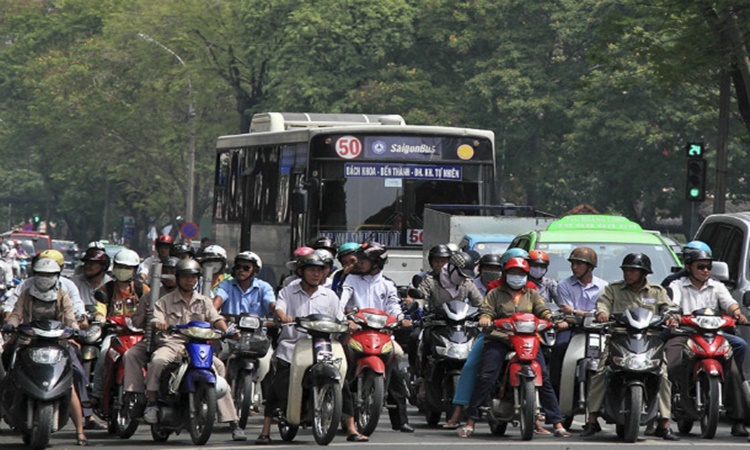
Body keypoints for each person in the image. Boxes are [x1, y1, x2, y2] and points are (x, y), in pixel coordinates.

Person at [122, 259, 246, 441]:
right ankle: (151, 402)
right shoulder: (163, 301)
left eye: (194, 277)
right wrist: (160, 323)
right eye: (186, 277)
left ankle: (233, 423)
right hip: (172, 344)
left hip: (198, 345)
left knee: (218, 367)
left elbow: (216, 318)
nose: (190, 281)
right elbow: (156, 319)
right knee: (158, 361)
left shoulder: (204, 301)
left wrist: (227, 330)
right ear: (178, 278)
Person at [255, 253, 366, 444]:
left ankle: (351, 428)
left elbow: (339, 318)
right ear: (301, 271)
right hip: (293, 347)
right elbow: (279, 308)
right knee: (280, 382)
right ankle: (265, 430)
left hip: (324, 347)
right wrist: (283, 316)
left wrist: (349, 324)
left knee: (342, 382)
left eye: (320, 270)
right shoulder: (288, 291)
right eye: (312, 270)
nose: (316, 274)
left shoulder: (329, 295)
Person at [458, 257, 571, 438]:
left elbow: (542, 310)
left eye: (520, 273)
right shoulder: (495, 293)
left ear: (526, 276)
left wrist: (551, 318)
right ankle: (470, 421)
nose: (516, 277)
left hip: (528, 341)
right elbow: (487, 310)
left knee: (544, 376)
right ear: (505, 274)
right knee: (487, 376)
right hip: (500, 339)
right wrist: (486, 319)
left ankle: (557, 423)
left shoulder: (532, 294)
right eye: (513, 273)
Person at [581, 253, 680, 441]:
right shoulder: (613, 289)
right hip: (619, 339)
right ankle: (592, 420)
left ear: (644, 273)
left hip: (650, 341)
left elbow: (668, 308)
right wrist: (602, 313)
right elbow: (603, 304)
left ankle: (664, 423)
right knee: (601, 372)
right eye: (626, 270)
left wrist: (672, 318)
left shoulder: (657, 291)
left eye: (633, 271)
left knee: (664, 376)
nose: (628, 273)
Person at [2, 257, 89, 446]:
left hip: (58, 343)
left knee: (70, 381)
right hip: (28, 340)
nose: (44, 278)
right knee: (8, 361)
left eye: (49, 275)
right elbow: (17, 314)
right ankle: (8, 406)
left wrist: (75, 329)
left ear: (57, 276)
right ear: (34, 275)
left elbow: (70, 317)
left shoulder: (62, 295)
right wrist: (11, 324)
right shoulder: (26, 293)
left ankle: (80, 430)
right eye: (41, 274)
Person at [666, 247, 750, 436]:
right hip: (685, 334)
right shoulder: (678, 285)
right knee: (670, 365)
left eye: (709, 267)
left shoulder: (717, 286)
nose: (706, 270)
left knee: (735, 366)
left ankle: (737, 419)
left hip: (714, 334)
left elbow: (729, 303)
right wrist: (674, 317)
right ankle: (661, 416)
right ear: (688, 267)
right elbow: (672, 305)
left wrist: (737, 313)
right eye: (701, 266)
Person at [340, 241, 414, 433]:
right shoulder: (351, 280)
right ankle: (340, 414)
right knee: (340, 367)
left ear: (376, 263)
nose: (359, 263)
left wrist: (400, 319)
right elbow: (341, 301)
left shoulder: (387, 284)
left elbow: (393, 306)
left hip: (381, 335)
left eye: (364, 260)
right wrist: (344, 318)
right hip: (354, 333)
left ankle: (401, 420)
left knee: (396, 366)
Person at [89, 249, 150, 406]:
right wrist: (100, 318)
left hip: (139, 335)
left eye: (128, 268)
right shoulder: (106, 289)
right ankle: (97, 393)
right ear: (114, 267)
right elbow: (100, 308)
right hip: (115, 334)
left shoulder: (142, 289)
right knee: (103, 354)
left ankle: (153, 396)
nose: (124, 270)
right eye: (120, 266)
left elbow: (152, 306)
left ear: (135, 270)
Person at [549, 246, 607, 394]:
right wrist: (586, 314)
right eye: (572, 264)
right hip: (572, 328)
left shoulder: (603, 286)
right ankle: (555, 392)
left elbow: (602, 312)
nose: (574, 267)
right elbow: (567, 311)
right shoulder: (564, 285)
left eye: (579, 264)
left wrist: (576, 311)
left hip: (597, 329)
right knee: (559, 347)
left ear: (590, 267)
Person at [213, 251, 275, 317]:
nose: (241, 270)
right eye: (238, 267)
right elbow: (218, 299)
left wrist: (279, 314)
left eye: (246, 268)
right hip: (228, 326)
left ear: (255, 271)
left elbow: (271, 304)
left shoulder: (264, 287)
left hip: (257, 327)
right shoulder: (226, 285)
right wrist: (212, 312)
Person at [71, 247, 112, 312]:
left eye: (91, 264)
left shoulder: (111, 284)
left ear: (104, 266)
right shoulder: (75, 282)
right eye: (86, 263)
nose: (87, 266)